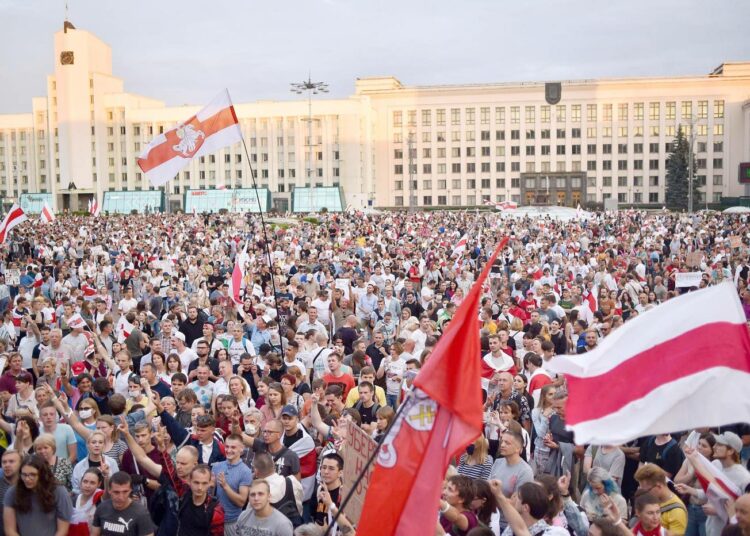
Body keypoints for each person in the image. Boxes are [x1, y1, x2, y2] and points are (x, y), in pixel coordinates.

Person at [2, 454, 73, 536]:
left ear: (42, 474)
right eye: (24, 474)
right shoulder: (13, 492)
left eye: (33, 475)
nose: (27, 479)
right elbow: (9, 529)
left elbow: (62, 530)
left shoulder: (59, 491)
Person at [489, 430, 534, 533]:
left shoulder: (525, 472)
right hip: (491, 518)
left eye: (507, 443)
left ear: (518, 448)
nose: (503, 445)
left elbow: (517, 505)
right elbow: (487, 490)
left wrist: (495, 495)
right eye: (502, 441)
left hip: (508, 525)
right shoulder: (498, 462)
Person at [210, 434, 252, 536]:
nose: (228, 450)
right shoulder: (217, 467)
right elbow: (210, 494)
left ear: (241, 449)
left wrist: (225, 486)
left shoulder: (245, 471)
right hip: (214, 520)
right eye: (227, 446)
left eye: (233, 447)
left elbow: (241, 502)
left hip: (232, 522)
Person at [91, 471, 155, 536]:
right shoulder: (102, 508)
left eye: (125, 492)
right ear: (109, 490)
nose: (121, 497)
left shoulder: (141, 513)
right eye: (116, 492)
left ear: (130, 490)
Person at [250, 453, 303, 528]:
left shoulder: (257, 494)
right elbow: (299, 508)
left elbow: (251, 521)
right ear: (274, 465)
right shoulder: (293, 482)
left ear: (256, 471)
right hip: (293, 529)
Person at [635, 463, 688, 536]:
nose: (644, 494)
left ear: (658, 486)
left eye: (646, 491)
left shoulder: (677, 511)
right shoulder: (651, 501)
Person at [177, 465, 224, 536]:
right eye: (196, 482)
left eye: (204, 483)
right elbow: (170, 474)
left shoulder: (215, 510)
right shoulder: (184, 495)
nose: (200, 488)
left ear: (210, 483)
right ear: (190, 481)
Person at [0, 450, 20, 536]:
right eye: (4, 462)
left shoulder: (27, 485)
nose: (7, 465)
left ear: (20, 464)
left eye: (11, 461)